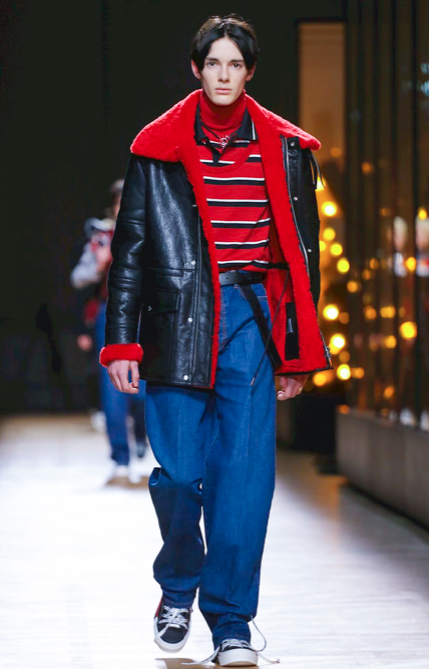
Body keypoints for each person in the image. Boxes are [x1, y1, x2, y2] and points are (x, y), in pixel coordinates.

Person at [100, 15, 333, 666]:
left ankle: (231, 621)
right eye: (213, 63)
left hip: (250, 323)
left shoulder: (286, 149)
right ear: (196, 69)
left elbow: (302, 257)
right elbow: (130, 249)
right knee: (181, 472)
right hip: (176, 322)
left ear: (249, 72)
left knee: (245, 480)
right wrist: (121, 343)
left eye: (235, 64)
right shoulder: (157, 147)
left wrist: (296, 349)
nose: (224, 75)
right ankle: (178, 588)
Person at [72, 181, 148, 479]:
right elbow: (78, 279)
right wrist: (99, 264)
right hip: (111, 314)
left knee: (143, 389)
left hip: (148, 315)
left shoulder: (154, 233)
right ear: (113, 207)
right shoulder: (102, 238)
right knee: (112, 387)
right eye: (120, 202)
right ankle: (120, 456)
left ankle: (141, 434)